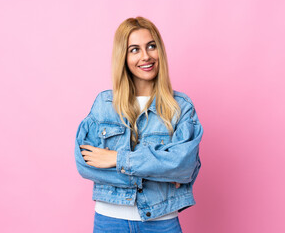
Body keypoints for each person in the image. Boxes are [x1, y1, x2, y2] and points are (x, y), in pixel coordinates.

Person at [74, 16, 203, 233]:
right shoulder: (104, 104)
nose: (146, 56)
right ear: (122, 57)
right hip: (110, 221)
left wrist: (116, 159)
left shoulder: (180, 107)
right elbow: (84, 163)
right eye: (134, 49)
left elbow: (184, 166)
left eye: (151, 46)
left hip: (162, 221)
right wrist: (160, 170)